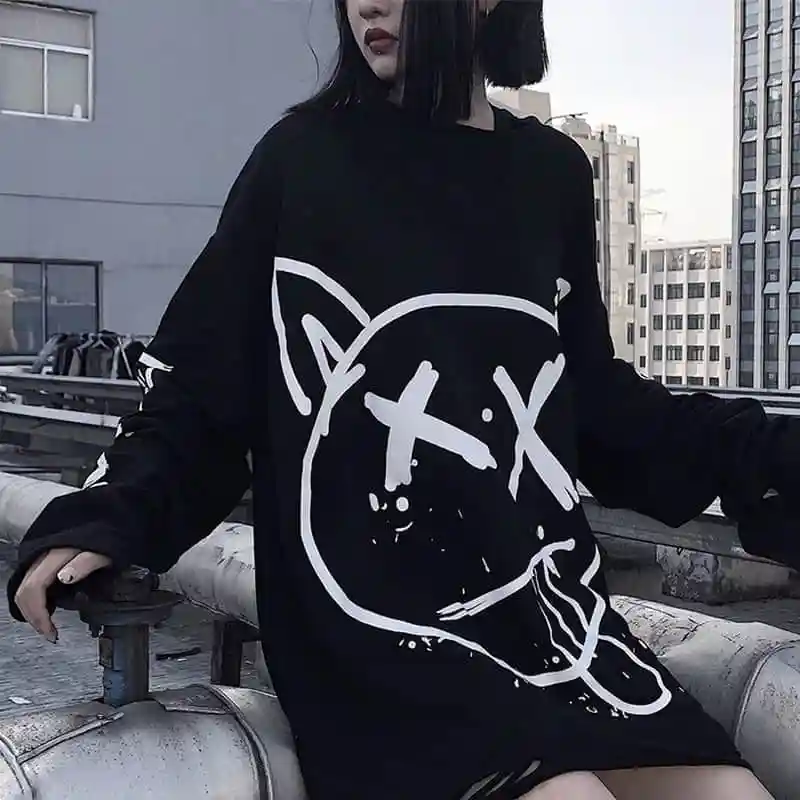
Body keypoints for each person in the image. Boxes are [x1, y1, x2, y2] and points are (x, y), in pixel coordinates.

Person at [6, 1, 797, 798]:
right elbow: (201, 386)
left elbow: (588, 401)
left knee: (732, 794)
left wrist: (765, 459)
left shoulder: (551, 172)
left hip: (554, 624)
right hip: (382, 645)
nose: (367, 5)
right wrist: (112, 512)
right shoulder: (303, 158)